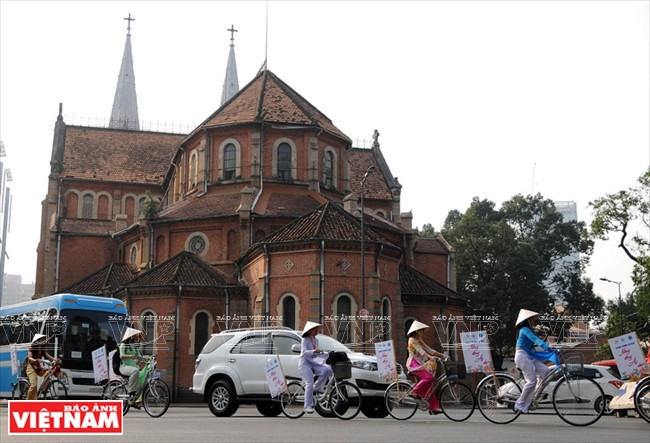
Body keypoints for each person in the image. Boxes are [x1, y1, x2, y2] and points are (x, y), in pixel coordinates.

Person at [513, 309, 552, 414]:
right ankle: (519, 404)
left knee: (545, 371)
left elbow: (534, 343)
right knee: (532, 381)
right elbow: (535, 339)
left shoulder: (528, 329)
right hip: (522, 356)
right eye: (533, 318)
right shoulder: (524, 329)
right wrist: (547, 346)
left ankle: (538, 393)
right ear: (528, 319)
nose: (535, 320)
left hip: (529, 356)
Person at [406, 320, 445, 414]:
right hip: (413, 364)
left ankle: (433, 408)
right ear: (417, 331)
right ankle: (414, 392)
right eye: (421, 330)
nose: (423, 332)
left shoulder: (419, 340)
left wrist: (442, 355)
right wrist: (431, 357)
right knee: (428, 377)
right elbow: (421, 351)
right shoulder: (412, 340)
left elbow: (429, 349)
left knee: (430, 384)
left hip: (420, 363)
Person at [299, 321, 333, 414]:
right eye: (315, 329)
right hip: (304, 364)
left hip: (312, 363)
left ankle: (317, 387)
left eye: (317, 329)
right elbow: (304, 352)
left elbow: (316, 354)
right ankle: (307, 406)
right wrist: (314, 351)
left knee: (325, 369)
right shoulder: (305, 340)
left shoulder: (316, 340)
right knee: (309, 383)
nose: (317, 330)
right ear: (309, 331)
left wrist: (326, 353)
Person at [26, 334, 59, 400]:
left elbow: (48, 356)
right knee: (34, 385)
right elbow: (29, 357)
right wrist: (35, 360)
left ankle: (43, 389)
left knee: (49, 372)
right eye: (42, 340)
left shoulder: (42, 349)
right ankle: (28, 400)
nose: (44, 341)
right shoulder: (32, 348)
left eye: (44, 339)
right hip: (31, 368)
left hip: (38, 367)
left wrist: (56, 360)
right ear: (38, 341)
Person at [120, 327, 145, 405]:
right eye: (134, 336)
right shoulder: (123, 345)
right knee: (135, 370)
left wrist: (149, 358)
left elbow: (139, 356)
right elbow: (121, 356)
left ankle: (133, 400)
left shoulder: (133, 346)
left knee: (141, 383)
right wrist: (130, 356)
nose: (135, 338)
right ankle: (130, 390)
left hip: (133, 367)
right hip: (124, 367)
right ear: (129, 337)